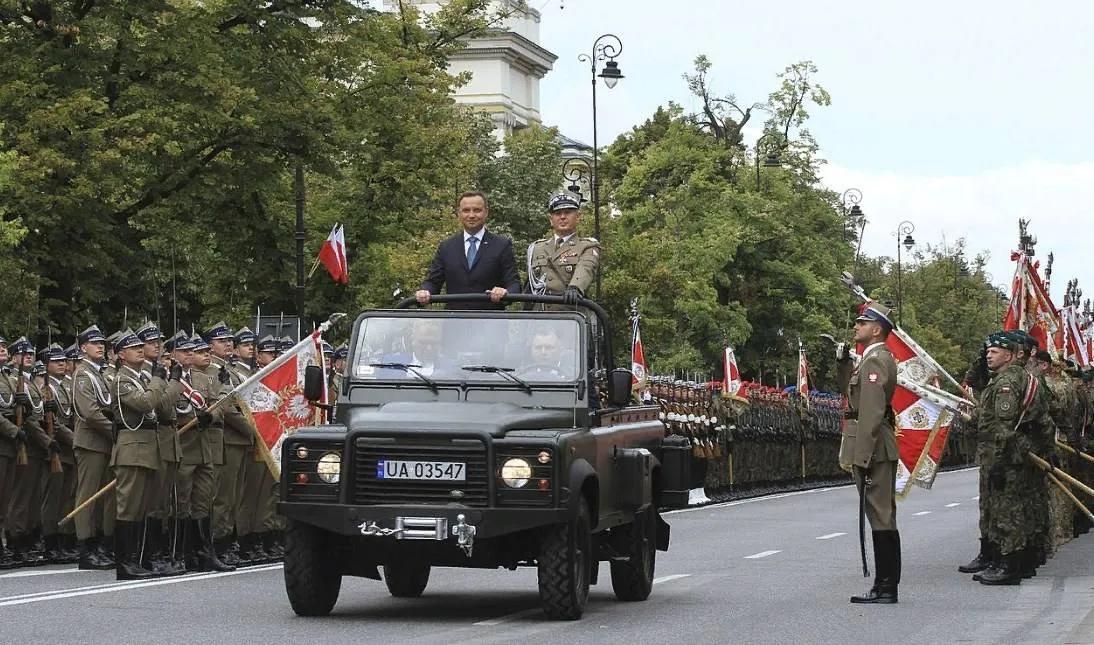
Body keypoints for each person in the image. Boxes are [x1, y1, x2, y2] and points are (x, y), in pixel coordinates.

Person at [837, 302, 901, 604]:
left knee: (881, 515)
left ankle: (886, 586)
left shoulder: (876, 361)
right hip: (872, 445)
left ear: (876, 329)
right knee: (878, 513)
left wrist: (862, 456)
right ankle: (884, 585)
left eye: (862, 323)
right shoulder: (868, 360)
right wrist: (842, 365)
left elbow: (872, 412)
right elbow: (852, 398)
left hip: (874, 447)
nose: (856, 326)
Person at [109, 329, 169, 580]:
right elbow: (145, 403)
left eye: (139, 347)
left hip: (147, 447)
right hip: (132, 448)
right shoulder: (121, 380)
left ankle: (137, 558)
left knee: (143, 507)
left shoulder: (141, 378)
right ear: (121, 354)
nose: (139, 350)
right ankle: (124, 563)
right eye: (133, 348)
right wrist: (158, 380)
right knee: (128, 507)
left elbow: (161, 405)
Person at [416, 191, 521, 310]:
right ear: (459, 213)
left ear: (486, 212)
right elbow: (433, 282)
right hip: (454, 318)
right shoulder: (446, 247)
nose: (471, 215)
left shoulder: (502, 245)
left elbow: (514, 284)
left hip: (490, 318)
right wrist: (424, 292)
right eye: (466, 210)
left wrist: (505, 292)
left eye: (477, 210)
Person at [71, 325, 117, 570]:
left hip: (106, 442)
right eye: (94, 343)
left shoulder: (101, 374)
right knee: (88, 496)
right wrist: (115, 431)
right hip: (91, 442)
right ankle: (85, 547)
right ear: (83, 348)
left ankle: (100, 543)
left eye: (102, 343)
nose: (100, 346)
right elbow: (90, 412)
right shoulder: (82, 374)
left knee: (105, 497)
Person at [526, 192, 600, 305]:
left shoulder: (587, 246)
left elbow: (585, 268)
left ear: (578, 217)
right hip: (540, 313)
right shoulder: (536, 248)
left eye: (567, 212)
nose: (562, 217)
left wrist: (575, 287)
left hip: (570, 312)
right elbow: (530, 286)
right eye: (558, 213)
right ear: (551, 219)